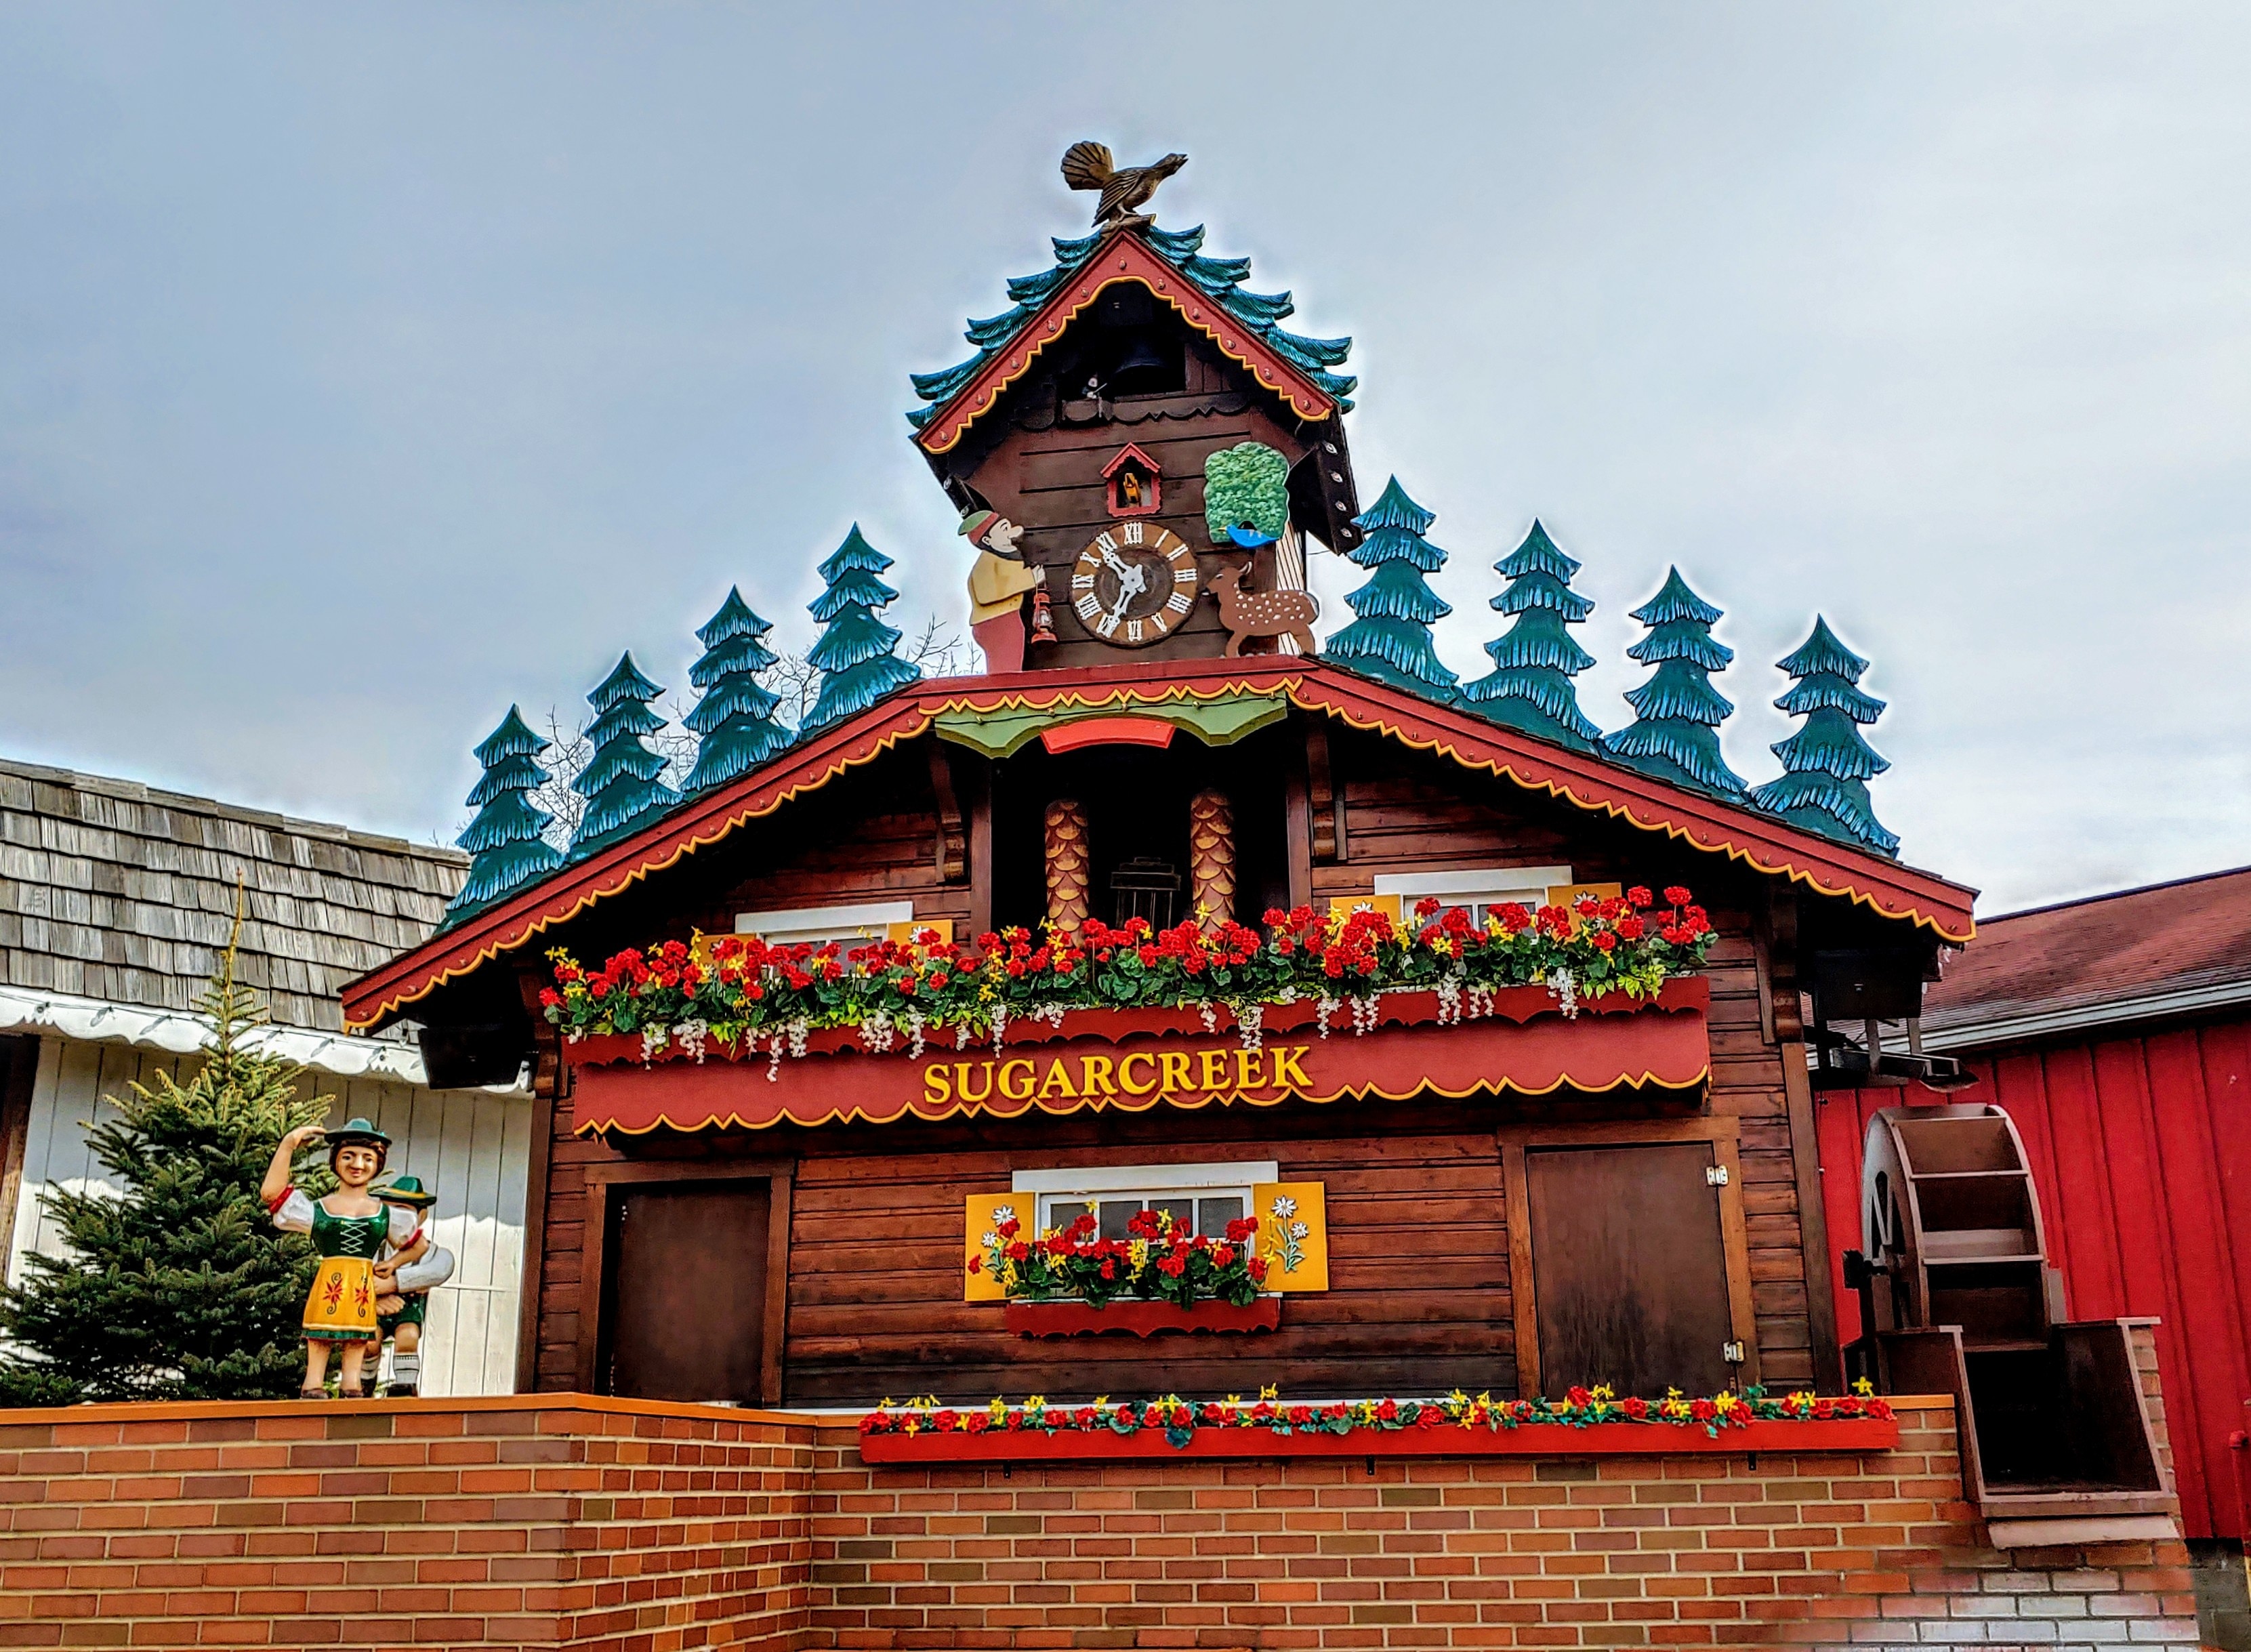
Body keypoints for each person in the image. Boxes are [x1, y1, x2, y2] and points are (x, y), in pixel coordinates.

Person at [259, 1117, 424, 1399]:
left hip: (361, 1281)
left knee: (358, 1336)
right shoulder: (319, 1209)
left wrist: (394, 1264)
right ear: (335, 1161)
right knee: (320, 1334)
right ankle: (313, 1383)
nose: (357, 1164)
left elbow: (418, 1245)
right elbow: (271, 1194)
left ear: (377, 1164)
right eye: (348, 1156)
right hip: (330, 1278)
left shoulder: (384, 1214)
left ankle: (352, 1384)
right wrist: (288, 1144)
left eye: (367, 1158)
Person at [367, 1174, 454, 1397]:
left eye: (402, 1209)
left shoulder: (430, 1252)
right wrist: (377, 1296)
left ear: (421, 1216)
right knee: (369, 1341)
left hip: (409, 1308)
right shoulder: (371, 1248)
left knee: (407, 1338)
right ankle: (364, 1381)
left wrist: (394, 1284)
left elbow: (440, 1269)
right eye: (388, 1210)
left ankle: (405, 1384)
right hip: (373, 1307)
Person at [960, 508, 1043, 672]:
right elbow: (986, 594)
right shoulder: (987, 562)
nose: (1009, 532)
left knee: (1014, 645)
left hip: (1006, 617)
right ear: (988, 540)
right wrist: (1029, 579)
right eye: (1003, 529)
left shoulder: (1006, 557)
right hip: (994, 621)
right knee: (1006, 660)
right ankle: (1008, 686)